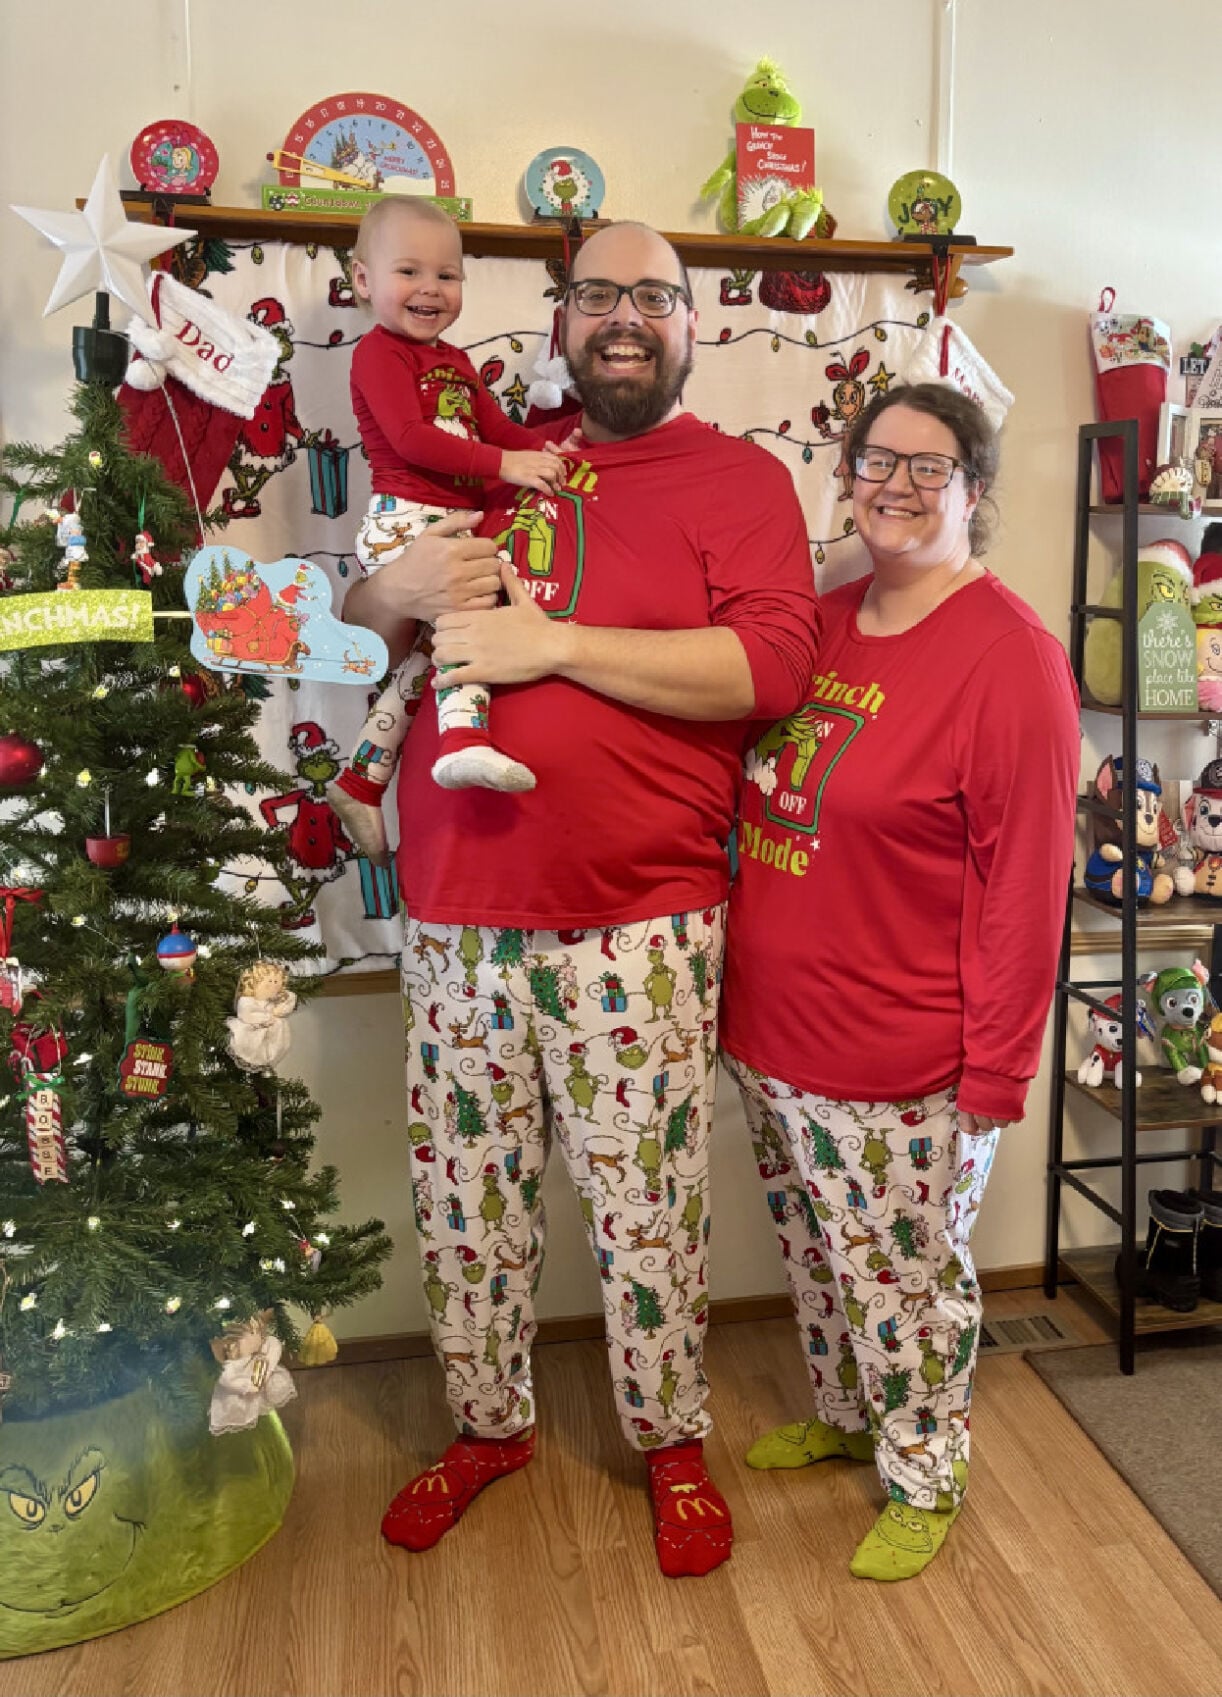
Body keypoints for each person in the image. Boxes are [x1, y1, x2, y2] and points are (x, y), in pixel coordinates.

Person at [343, 220, 820, 1578]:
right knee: (466, 1202)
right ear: (556, 318)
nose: (623, 318)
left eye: (652, 298)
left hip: (644, 922)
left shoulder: (737, 480)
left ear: (689, 323)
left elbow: (770, 671)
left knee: (647, 1204)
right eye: (597, 294)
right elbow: (345, 644)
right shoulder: (468, 454)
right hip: (452, 913)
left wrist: (553, 645)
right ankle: (487, 1426)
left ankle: (669, 1440)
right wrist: (389, 585)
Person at [719, 383, 1079, 1582]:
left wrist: (995, 1071)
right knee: (821, 1257)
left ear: (974, 492)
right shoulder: (815, 623)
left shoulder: (1010, 657)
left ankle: (926, 1465)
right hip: (774, 1036)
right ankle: (848, 1411)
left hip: (904, 1059)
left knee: (909, 1289)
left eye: (930, 468)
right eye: (877, 459)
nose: (895, 485)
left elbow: (1027, 888)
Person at [329, 196, 567, 865]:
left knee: (425, 659)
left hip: (442, 522)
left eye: (448, 274)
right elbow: (411, 440)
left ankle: (360, 778)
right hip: (405, 522)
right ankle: (463, 745)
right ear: (364, 279)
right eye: (409, 271)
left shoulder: (456, 362)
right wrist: (505, 464)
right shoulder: (379, 356)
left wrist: (553, 450)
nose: (431, 288)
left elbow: (498, 431)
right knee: (470, 623)